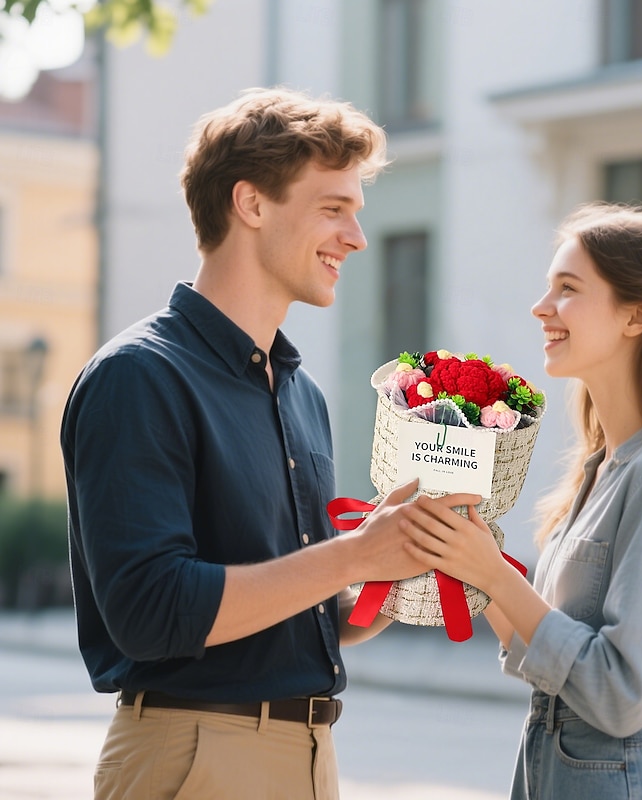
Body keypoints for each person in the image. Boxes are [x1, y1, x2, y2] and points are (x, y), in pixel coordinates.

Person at [60, 87, 479, 800]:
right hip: (195, 755)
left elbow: (306, 615)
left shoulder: (300, 394)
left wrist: (401, 566)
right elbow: (151, 613)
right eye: (333, 208)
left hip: (310, 756)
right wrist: (356, 552)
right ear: (251, 204)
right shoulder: (139, 376)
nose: (356, 237)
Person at [400, 202, 642, 799]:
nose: (541, 307)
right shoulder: (603, 471)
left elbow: (621, 693)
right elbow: (546, 650)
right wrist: (467, 563)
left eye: (568, 288)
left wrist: (496, 575)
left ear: (636, 315)